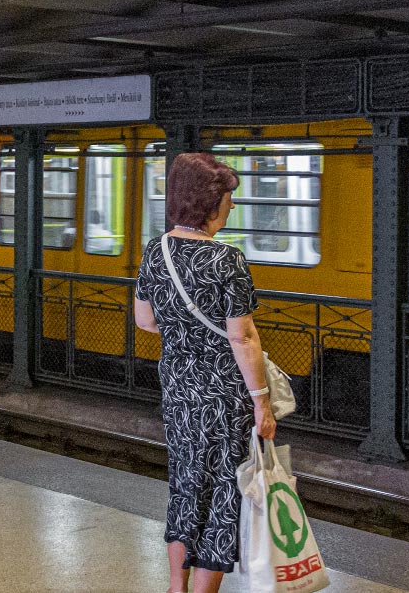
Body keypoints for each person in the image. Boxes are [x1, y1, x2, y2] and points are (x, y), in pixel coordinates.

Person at [133, 153, 276, 593]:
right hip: (223, 399)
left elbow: (145, 321)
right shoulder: (226, 261)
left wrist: (184, 333)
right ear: (207, 203)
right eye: (228, 199)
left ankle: (177, 586)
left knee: (185, 486)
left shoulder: (155, 251)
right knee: (222, 497)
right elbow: (243, 339)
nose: (231, 207)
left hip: (177, 390)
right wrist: (262, 403)